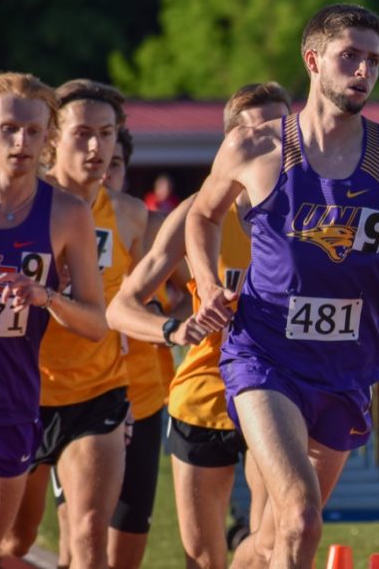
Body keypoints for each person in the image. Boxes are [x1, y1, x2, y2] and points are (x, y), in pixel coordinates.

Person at [186, 3, 379, 568]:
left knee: (280, 537)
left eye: (372, 60)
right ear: (313, 60)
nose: (363, 72)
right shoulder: (255, 148)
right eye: (349, 56)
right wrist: (207, 286)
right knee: (303, 515)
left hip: (349, 365)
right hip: (264, 354)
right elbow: (201, 217)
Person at [106, 81, 292, 569]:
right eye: (257, 133)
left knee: (273, 546)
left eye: (281, 130)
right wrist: (174, 331)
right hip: (204, 395)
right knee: (203, 560)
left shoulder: (313, 217)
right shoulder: (196, 215)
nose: (271, 144)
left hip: (281, 395)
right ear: (231, 144)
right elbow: (122, 305)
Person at [1, 79, 148, 569]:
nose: (96, 148)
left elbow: (157, 294)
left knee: (88, 538)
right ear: (53, 140)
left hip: (97, 393)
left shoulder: (129, 216)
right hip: (19, 392)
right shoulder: (20, 208)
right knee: (11, 544)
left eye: (106, 135)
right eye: (83, 134)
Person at [0, 72, 107, 566]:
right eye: (8, 128)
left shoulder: (67, 214)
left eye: (34, 131)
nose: (21, 142)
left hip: (13, 395)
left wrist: (47, 295)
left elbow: (96, 322)